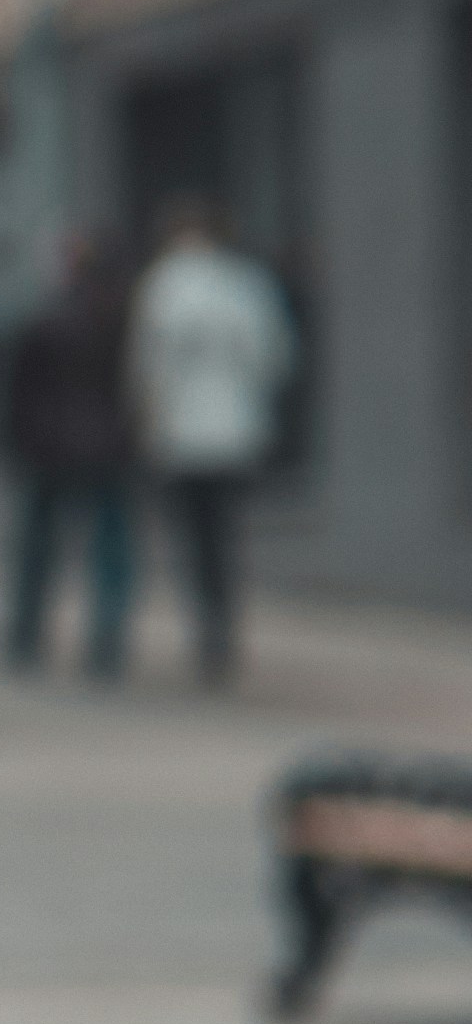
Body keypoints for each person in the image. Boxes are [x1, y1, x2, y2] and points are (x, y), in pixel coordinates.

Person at [128, 196, 297, 686]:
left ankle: (209, 627)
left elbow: (146, 368)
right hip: (235, 432)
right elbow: (275, 356)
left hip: (181, 437)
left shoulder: (162, 286)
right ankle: (222, 624)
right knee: (224, 534)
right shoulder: (246, 285)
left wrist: (149, 422)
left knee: (195, 537)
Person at [0, 229, 138, 680]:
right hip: (107, 448)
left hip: (50, 448)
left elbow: (18, 393)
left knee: (38, 549)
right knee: (108, 549)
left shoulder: (46, 319)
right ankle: (106, 640)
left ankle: (26, 634)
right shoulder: (122, 321)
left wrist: (17, 443)